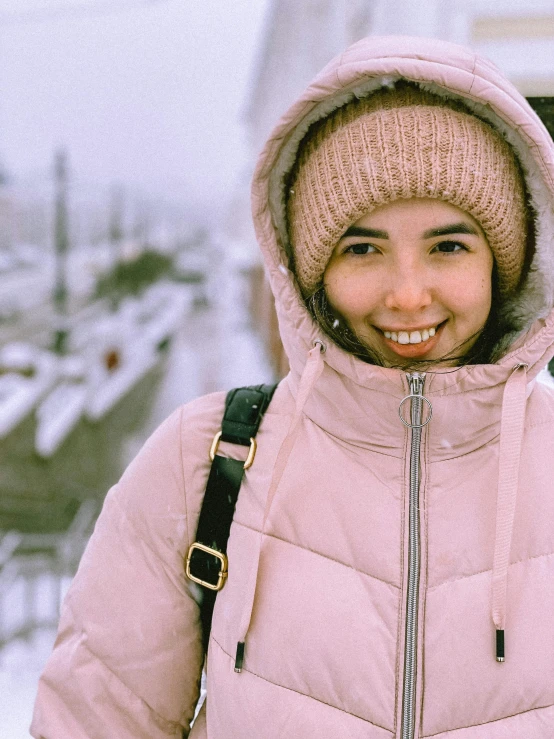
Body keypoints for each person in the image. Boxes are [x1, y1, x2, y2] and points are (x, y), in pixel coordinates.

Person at [31, 35, 554, 739]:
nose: (407, 293)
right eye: (361, 247)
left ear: (506, 262)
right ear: (311, 271)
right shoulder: (207, 460)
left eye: (448, 245)